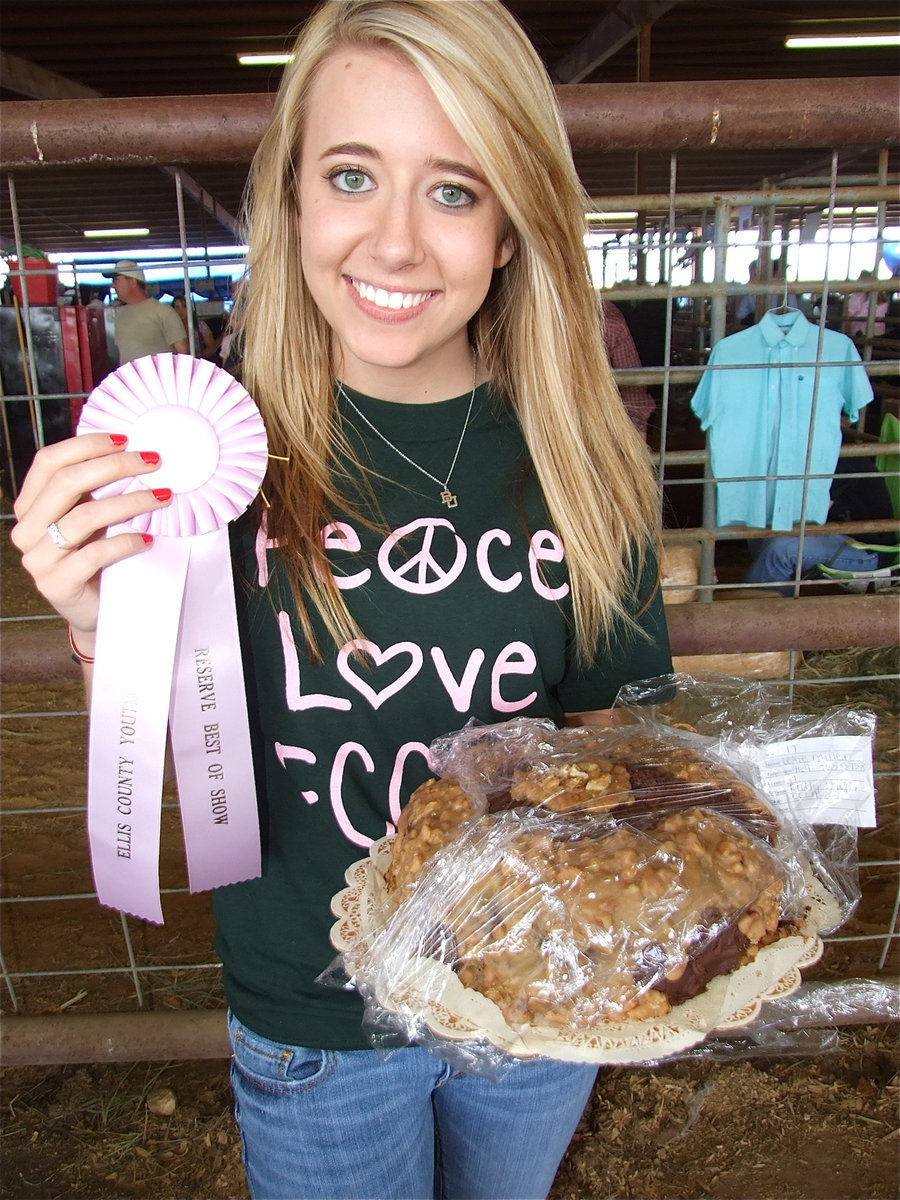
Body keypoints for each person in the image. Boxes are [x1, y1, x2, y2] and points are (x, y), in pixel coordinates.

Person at [11, 4, 672, 1198]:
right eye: (354, 175)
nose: (398, 243)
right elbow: (187, 760)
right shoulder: (202, 461)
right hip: (317, 1025)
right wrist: (107, 626)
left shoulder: (585, 467)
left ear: (516, 226)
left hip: (531, 1005)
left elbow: (611, 751)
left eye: (457, 191)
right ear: (295, 203)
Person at [743, 455, 895, 594]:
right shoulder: (817, 456)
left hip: (865, 551)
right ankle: (769, 587)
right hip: (833, 535)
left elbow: (811, 516)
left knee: (781, 549)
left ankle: (763, 612)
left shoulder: (843, 460)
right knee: (760, 530)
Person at [101, 259, 189, 363]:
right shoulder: (120, 315)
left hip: (159, 378)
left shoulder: (163, 311)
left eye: (116, 280)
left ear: (133, 282)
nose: (112, 285)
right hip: (129, 378)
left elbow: (183, 353)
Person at [599, 300, 655, 439]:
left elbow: (632, 386)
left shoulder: (609, 319)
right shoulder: (609, 318)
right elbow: (633, 384)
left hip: (597, 419)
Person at [171, 293, 219, 360]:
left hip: (198, 361)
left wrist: (195, 356)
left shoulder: (200, 325)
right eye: (177, 307)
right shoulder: (170, 327)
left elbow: (211, 348)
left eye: (184, 306)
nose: (180, 310)